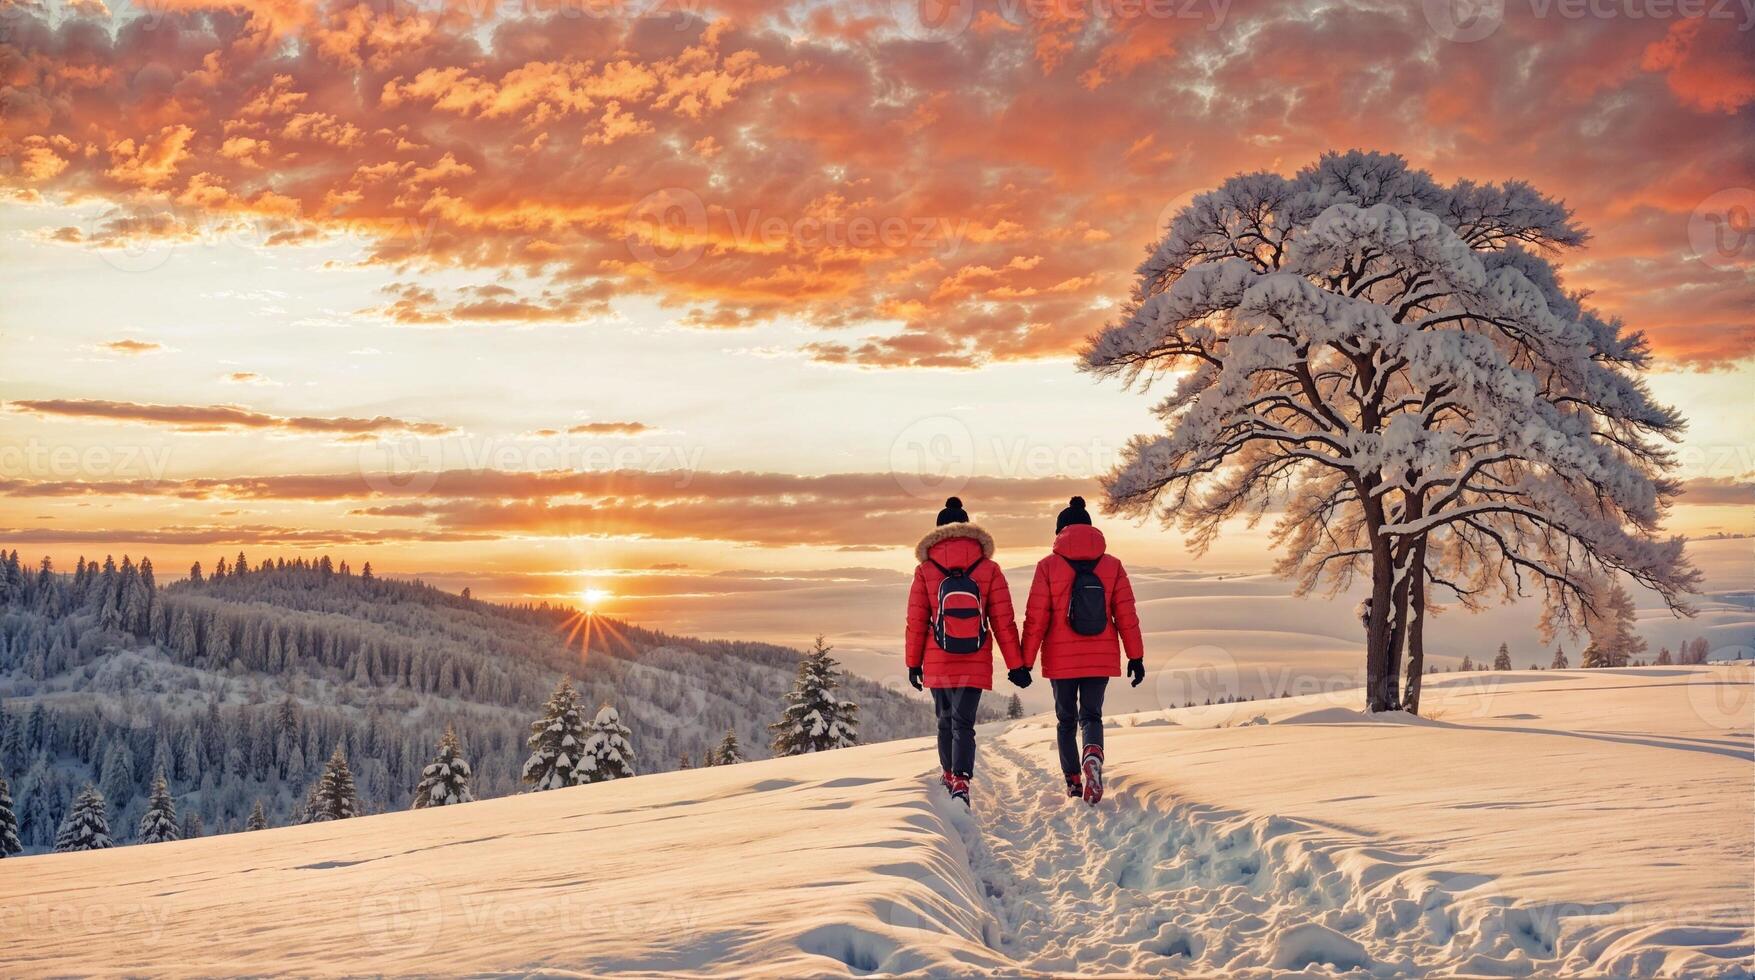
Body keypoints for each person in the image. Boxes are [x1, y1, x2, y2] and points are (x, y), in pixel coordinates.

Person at [1020, 496, 1144, 805]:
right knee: (1092, 716)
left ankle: (1074, 781)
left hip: (1061, 659)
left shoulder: (1048, 566)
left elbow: (1037, 617)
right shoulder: (1113, 565)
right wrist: (1136, 656)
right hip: (1099, 656)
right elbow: (1126, 614)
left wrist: (1023, 662)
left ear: (1060, 532)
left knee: (1066, 720)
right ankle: (1093, 754)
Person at [905, 496, 1027, 807]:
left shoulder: (926, 569)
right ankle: (962, 779)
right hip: (975, 657)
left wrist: (912, 663)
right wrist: (1017, 665)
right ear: (969, 528)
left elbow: (917, 622)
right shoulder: (989, 568)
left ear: (938, 531)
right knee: (964, 723)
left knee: (945, 720)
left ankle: (948, 774)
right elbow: (1003, 621)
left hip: (937, 657)